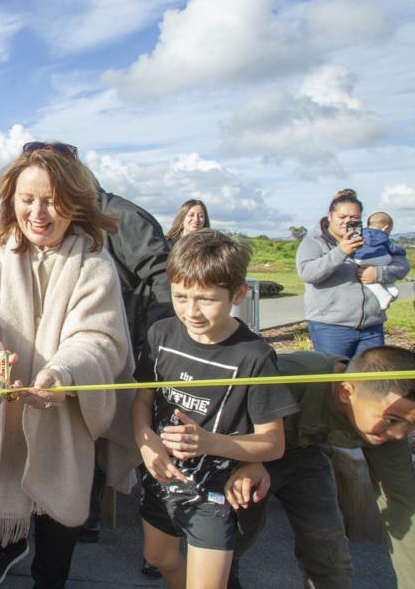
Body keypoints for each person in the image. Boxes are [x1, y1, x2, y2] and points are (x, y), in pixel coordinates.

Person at [0, 142, 135, 589]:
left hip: (65, 412)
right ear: (10, 200)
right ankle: (9, 545)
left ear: (76, 201)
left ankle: (49, 578)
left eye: (52, 200)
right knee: (7, 490)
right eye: (27, 199)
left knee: (59, 515)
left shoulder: (93, 261)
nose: (38, 213)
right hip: (6, 408)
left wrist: (64, 373)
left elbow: (100, 337)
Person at [131, 230, 298, 589]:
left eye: (206, 299)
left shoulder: (255, 356)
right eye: (180, 296)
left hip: (216, 494)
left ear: (238, 294)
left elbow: (273, 443)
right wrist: (146, 441)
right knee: (158, 558)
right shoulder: (160, 334)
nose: (191, 311)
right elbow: (142, 401)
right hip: (162, 480)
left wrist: (209, 442)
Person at [228, 345, 415, 588]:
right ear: (347, 392)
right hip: (242, 449)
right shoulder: (294, 376)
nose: (399, 434)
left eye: (410, 425)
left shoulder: (388, 432)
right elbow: (224, 408)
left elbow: (404, 506)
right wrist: (249, 460)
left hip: (303, 455)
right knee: (233, 536)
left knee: (327, 547)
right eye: (391, 420)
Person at [84, 184, 174, 572]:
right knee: (91, 428)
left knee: (148, 440)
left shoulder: (123, 216)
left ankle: (160, 546)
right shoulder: (77, 214)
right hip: (101, 345)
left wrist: (153, 343)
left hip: (137, 346)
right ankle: (85, 518)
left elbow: (162, 277)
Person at [297, 189, 410, 359]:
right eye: (342, 217)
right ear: (330, 216)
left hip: (372, 326)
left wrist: (378, 273)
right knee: (335, 374)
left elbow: (402, 264)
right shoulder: (313, 242)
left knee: (372, 374)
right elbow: (307, 273)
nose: (348, 222)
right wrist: (341, 252)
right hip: (331, 328)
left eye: (354, 218)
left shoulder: (371, 238)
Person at [353, 224, 408, 309]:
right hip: (385, 258)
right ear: (386, 228)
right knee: (378, 269)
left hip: (362, 259)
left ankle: (383, 295)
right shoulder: (382, 235)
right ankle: (390, 288)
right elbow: (393, 248)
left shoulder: (356, 234)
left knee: (364, 276)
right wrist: (402, 251)